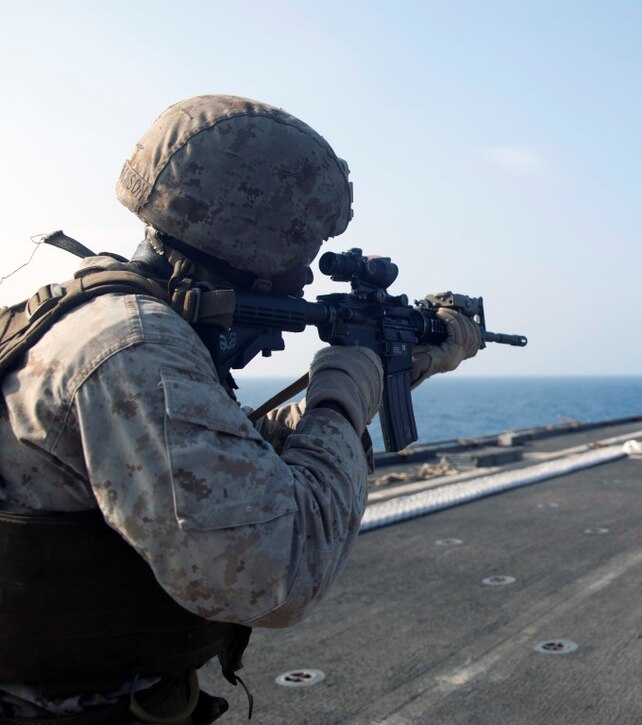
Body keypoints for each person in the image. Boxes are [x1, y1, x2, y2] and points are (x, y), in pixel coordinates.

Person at [0, 95, 480, 723]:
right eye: (301, 251)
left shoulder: (113, 317)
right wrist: (340, 399)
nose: (307, 279)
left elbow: (218, 462)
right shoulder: (135, 351)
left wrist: (403, 364)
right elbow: (276, 575)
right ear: (253, 235)